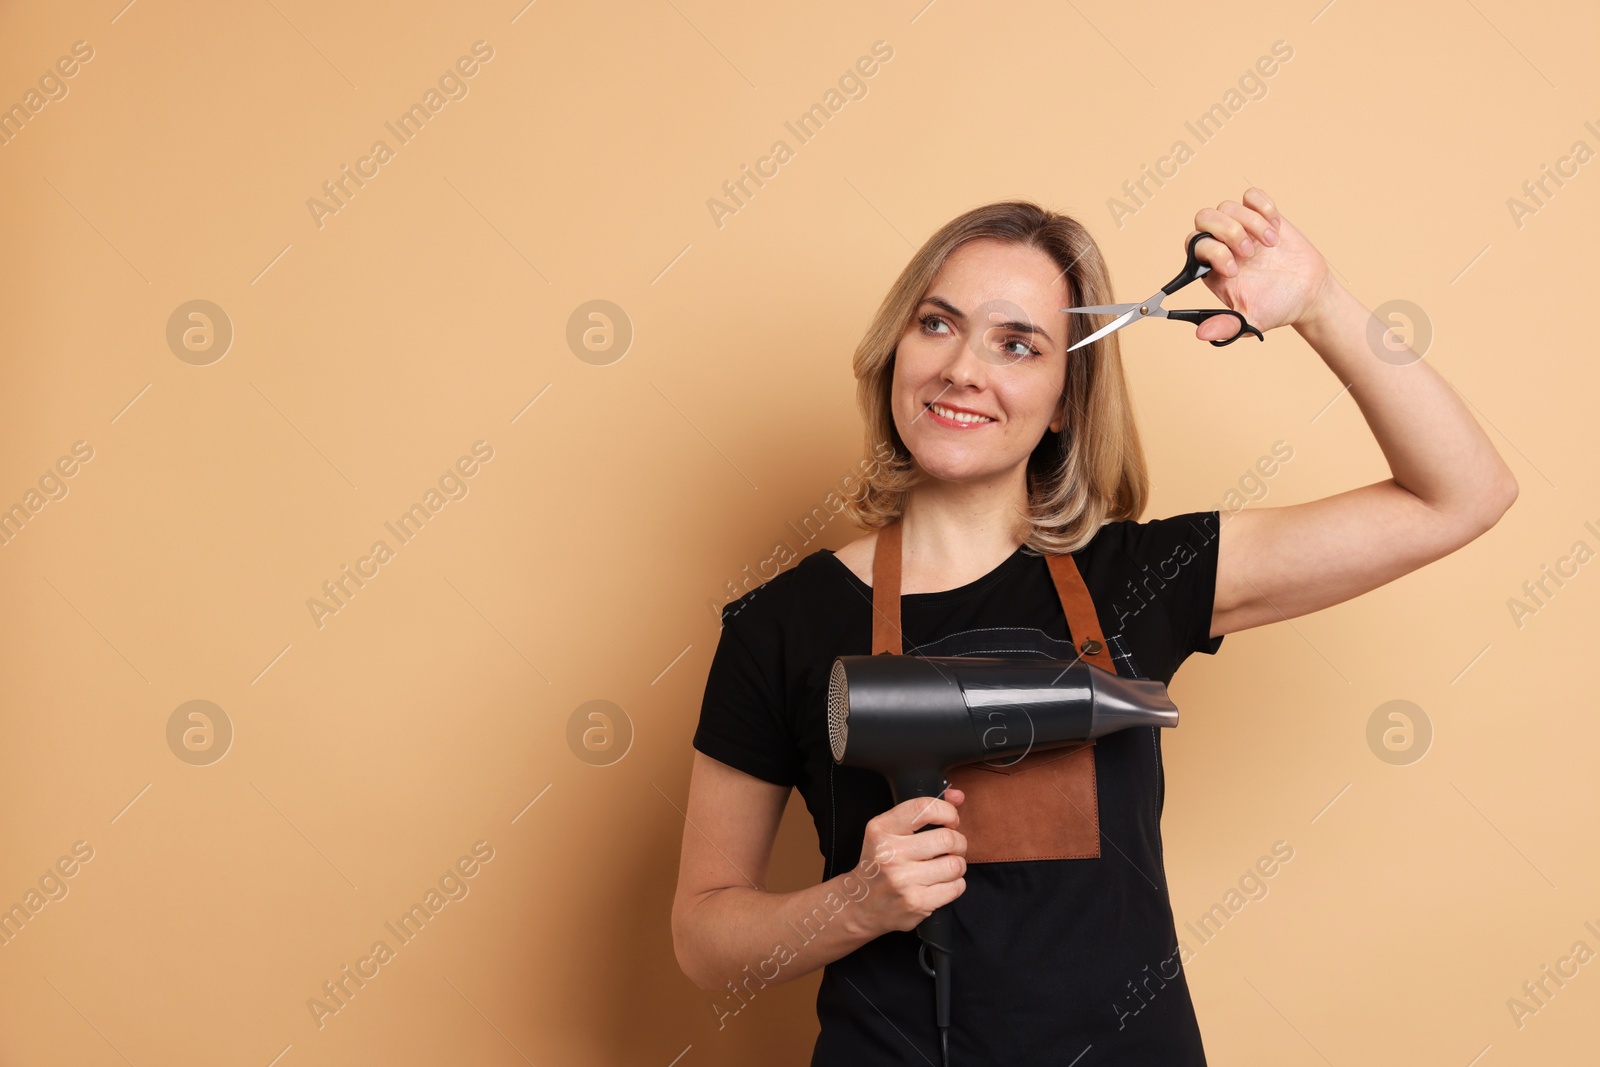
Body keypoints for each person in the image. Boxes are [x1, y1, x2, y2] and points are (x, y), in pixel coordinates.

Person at [671, 188, 1517, 1064]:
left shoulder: (1145, 579)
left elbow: (1463, 493)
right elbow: (702, 937)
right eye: (936, 324)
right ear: (894, 350)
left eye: (1017, 343)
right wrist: (853, 901)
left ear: (1067, 399)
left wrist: (1320, 303)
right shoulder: (778, 623)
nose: (964, 368)